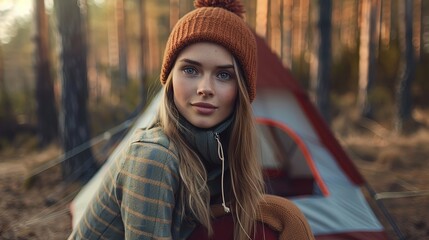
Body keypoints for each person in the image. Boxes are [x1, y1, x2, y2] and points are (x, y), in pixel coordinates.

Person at [69, 0, 313, 239]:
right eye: (190, 70)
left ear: (241, 90)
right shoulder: (154, 157)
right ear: (171, 78)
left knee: (281, 219)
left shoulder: (223, 148)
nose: (205, 88)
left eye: (224, 74)